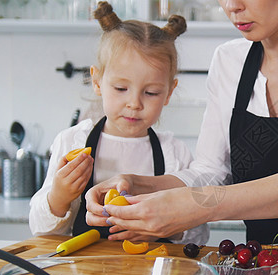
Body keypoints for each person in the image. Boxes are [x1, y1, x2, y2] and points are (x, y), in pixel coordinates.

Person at [84, 0, 278, 253]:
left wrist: (200, 206)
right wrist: (140, 185)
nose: (231, 6)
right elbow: (211, 172)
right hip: (264, 265)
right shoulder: (229, 60)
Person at [29, 1, 209, 245]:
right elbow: (40, 230)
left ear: (169, 92)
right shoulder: (73, 141)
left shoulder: (173, 153)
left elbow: (198, 234)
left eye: (152, 92)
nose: (134, 103)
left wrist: (165, 230)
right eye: (121, 88)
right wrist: (59, 196)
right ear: (97, 81)